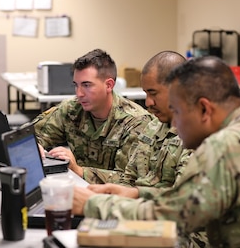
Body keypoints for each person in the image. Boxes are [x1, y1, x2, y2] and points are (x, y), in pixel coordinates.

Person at [73, 56, 240, 247]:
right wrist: (137, 192)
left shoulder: (226, 146)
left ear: (204, 109)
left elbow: (172, 218)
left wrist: (91, 204)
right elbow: (195, 199)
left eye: (178, 112)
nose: (174, 123)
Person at [87, 50, 208, 247]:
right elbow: (128, 180)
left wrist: (107, 206)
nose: (148, 103)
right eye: (145, 94)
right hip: (145, 219)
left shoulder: (198, 136)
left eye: (153, 93)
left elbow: (180, 206)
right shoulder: (154, 126)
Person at [33, 48, 153, 184]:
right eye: (76, 85)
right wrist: (35, 146)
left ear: (109, 85)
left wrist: (79, 171)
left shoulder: (136, 122)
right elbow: (31, 135)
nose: (79, 93)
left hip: (114, 201)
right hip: (78, 189)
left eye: (86, 85)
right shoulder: (72, 109)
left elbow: (130, 181)